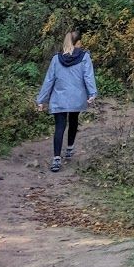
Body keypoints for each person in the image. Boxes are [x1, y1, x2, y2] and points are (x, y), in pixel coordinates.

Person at [35, 30, 97, 173]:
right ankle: (69, 149)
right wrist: (92, 93)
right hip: (77, 97)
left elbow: (49, 80)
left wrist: (41, 100)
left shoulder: (57, 58)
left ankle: (56, 159)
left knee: (59, 127)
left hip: (59, 98)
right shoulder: (84, 57)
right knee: (74, 120)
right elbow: (88, 76)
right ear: (79, 42)